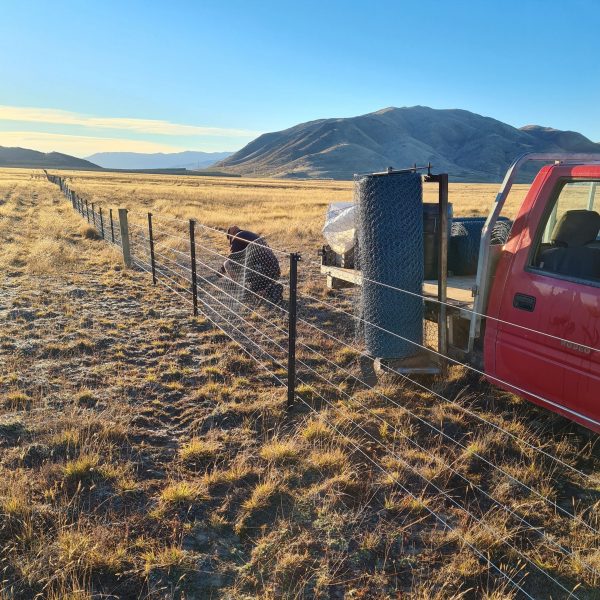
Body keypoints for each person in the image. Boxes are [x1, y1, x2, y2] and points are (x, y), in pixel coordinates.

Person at [220, 226, 283, 304]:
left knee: (227, 264)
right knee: (256, 291)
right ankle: (271, 290)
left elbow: (231, 257)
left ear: (232, 233)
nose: (230, 241)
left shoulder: (237, 236)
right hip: (274, 270)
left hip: (261, 269)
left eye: (229, 238)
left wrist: (221, 271)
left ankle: (243, 290)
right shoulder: (250, 236)